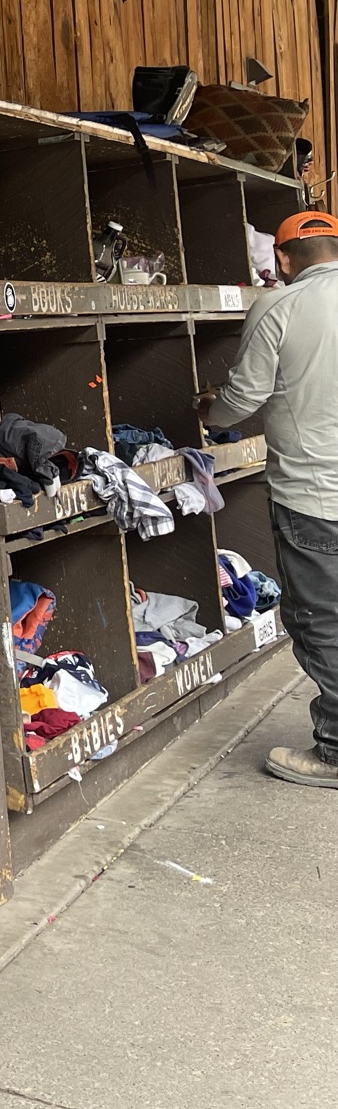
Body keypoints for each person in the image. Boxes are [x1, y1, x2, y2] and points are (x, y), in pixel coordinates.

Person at [201, 209, 338, 787]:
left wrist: (209, 410)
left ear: (282, 259)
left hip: (315, 495)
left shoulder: (277, 307)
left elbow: (242, 400)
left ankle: (334, 752)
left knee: (321, 623)